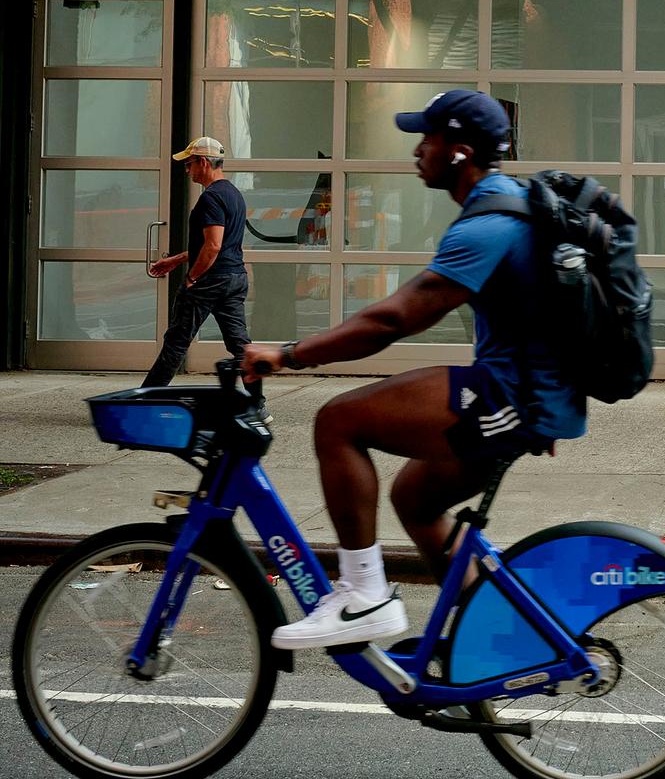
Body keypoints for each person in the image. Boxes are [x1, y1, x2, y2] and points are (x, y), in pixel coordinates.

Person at [239, 90, 586, 651]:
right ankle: (496, 639)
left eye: (428, 138)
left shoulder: (489, 224)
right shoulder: (501, 206)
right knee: (415, 502)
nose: (418, 150)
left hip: (506, 397)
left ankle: (364, 597)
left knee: (338, 421)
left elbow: (393, 320)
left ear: (460, 152)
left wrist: (290, 353)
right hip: (524, 397)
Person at [143, 137, 250, 387]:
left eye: (189, 164)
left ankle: (146, 401)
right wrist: (177, 259)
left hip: (209, 281)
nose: (187, 170)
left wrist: (192, 277)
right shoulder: (234, 194)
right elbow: (217, 245)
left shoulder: (210, 198)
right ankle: (257, 405)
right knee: (241, 346)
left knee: (176, 342)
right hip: (234, 277)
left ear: (203, 162)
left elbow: (213, 246)